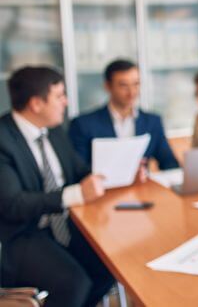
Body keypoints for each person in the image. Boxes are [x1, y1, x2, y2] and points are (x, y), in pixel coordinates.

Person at [0, 66, 115, 307]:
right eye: (60, 96)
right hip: (23, 233)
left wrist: (114, 174)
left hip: (65, 224)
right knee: (74, 283)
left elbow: (78, 171)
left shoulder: (54, 130)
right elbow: (13, 204)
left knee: (110, 266)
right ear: (36, 104)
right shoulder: (3, 139)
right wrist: (75, 194)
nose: (66, 102)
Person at [68, 59, 179, 173]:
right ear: (108, 86)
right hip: (104, 189)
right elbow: (78, 171)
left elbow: (170, 163)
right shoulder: (83, 124)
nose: (132, 92)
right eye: (123, 85)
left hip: (141, 188)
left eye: (136, 84)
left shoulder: (152, 122)